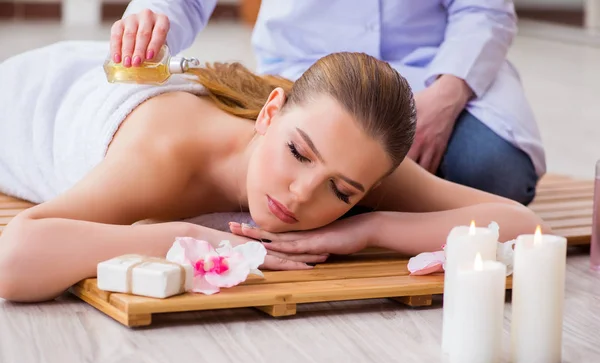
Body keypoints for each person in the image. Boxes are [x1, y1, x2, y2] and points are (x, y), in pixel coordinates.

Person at [0, 40, 547, 303]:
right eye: (298, 153)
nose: (303, 193)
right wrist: (188, 235)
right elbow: (15, 260)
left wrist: (367, 231)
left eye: (341, 191)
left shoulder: (351, 157)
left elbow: (520, 224)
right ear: (270, 111)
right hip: (29, 98)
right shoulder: (162, 155)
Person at [110, 0, 546, 205]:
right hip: (312, 69)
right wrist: (152, 20)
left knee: (495, 172)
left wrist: (445, 98)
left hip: (434, 66)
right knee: (299, 168)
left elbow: (483, 9)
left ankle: (360, 207)